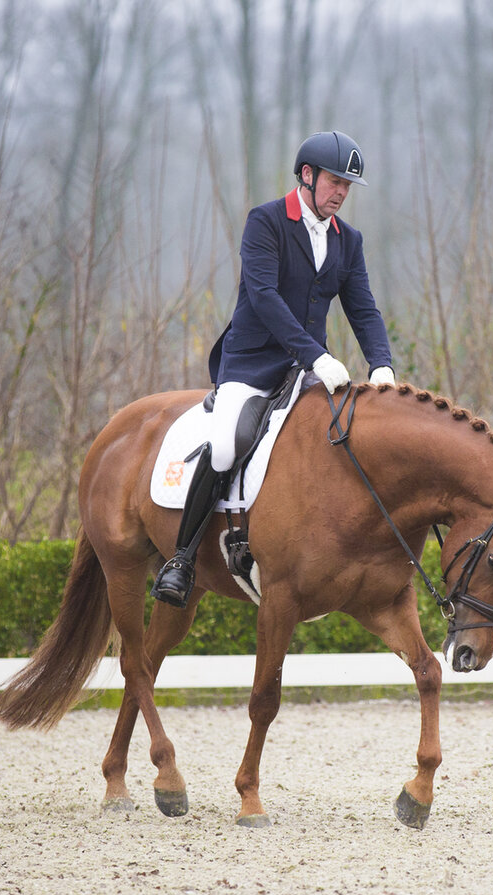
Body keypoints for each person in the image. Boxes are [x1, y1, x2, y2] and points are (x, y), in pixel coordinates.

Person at [151, 130, 396, 607]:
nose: (341, 193)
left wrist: (382, 365)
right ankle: (180, 560)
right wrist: (316, 356)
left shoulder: (349, 241)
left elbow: (363, 310)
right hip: (251, 364)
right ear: (307, 176)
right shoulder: (265, 222)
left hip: (304, 372)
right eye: (334, 181)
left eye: (348, 185)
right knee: (226, 445)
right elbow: (263, 298)